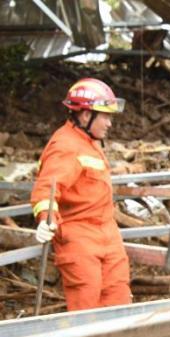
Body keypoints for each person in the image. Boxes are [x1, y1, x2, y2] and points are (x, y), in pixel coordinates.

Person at [30, 78, 132, 311]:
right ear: (85, 115)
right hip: (80, 237)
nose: (109, 124)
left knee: (119, 300)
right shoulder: (65, 146)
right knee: (87, 310)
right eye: (105, 116)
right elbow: (46, 189)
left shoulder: (90, 141)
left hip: (107, 232)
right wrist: (46, 219)